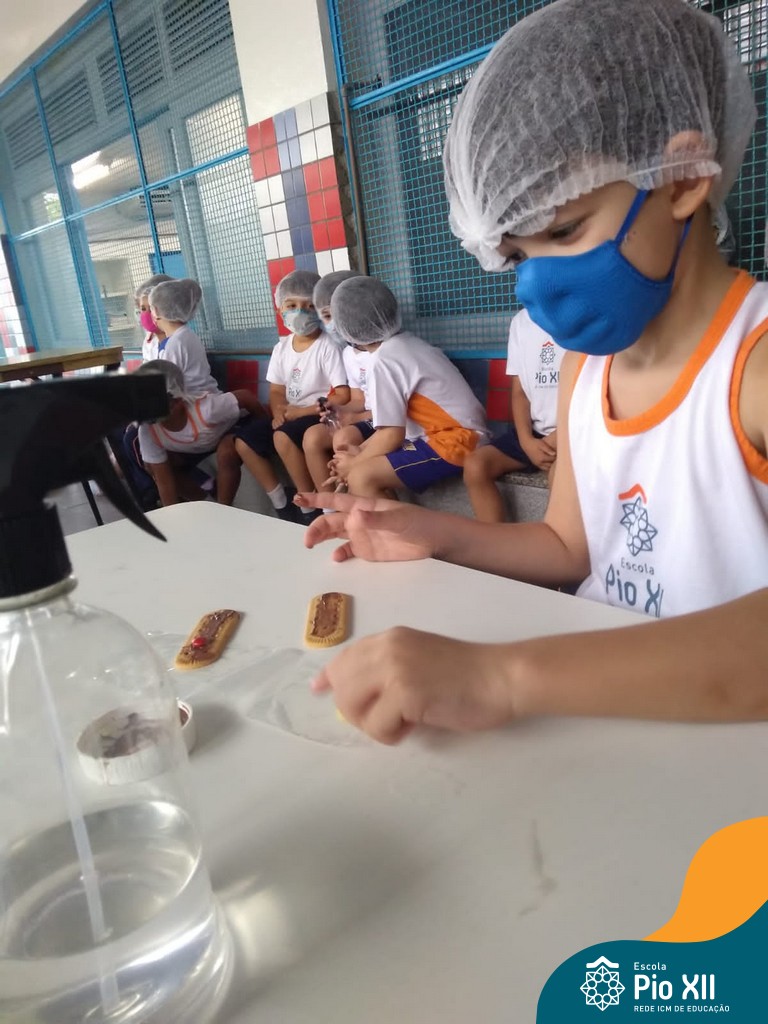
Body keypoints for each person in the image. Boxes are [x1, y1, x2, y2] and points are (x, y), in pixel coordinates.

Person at [296, 0, 768, 744]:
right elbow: (570, 547)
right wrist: (437, 534)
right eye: (517, 253)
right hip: (611, 722)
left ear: (681, 177)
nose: (538, 281)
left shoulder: (755, 365)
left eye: (565, 230)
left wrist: (501, 677)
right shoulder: (585, 369)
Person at [323, 276, 488, 499]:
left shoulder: (384, 360)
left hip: (458, 439)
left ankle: (399, 525)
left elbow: (391, 435)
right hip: (451, 436)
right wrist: (359, 452)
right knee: (360, 468)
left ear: (347, 327)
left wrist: (354, 463)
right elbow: (388, 431)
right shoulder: (405, 344)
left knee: (361, 477)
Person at [134, 360, 285, 511]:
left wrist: (264, 431)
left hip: (232, 429)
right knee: (153, 465)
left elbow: (246, 398)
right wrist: (170, 515)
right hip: (199, 445)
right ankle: (207, 503)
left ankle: (223, 509)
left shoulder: (207, 410)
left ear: (177, 401)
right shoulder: (148, 431)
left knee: (226, 453)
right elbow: (163, 480)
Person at [463, 309, 564, 521]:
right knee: (475, 465)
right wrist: (527, 441)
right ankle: (495, 539)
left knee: (559, 475)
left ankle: (555, 538)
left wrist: (553, 441)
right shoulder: (521, 322)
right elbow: (520, 392)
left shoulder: (581, 313)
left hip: (574, 433)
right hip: (534, 433)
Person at [267, 269, 350, 522]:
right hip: (294, 413)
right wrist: (279, 412)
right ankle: (307, 507)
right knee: (251, 439)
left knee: (287, 437)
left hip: (319, 413)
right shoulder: (281, 348)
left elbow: (342, 395)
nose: (300, 312)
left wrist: (300, 412)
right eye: (292, 305)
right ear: (280, 308)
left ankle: (324, 509)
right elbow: (276, 390)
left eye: (309, 306)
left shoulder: (328, 346)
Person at [303, 270, 376, 493]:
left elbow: (397, 411)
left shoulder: (384, 354)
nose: (330, 325)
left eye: (330, 316)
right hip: (368, 417)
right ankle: (330, 507)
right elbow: (358, 399)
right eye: (325, 318)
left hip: (388, 422)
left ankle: (360, 501)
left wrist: (355, 418)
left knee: (343, 439)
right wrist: (337, 409)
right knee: (312, 438)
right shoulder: (349, 354)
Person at [148, 278, 219, 395]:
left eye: (150, 308)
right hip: (204, 395)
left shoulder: (174, 343)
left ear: (155, 311)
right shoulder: (186, 335)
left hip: (195, 400)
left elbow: (167, 385)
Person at [134, 273, 174, 361]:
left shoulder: (178, 341)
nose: (146, 314)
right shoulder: (149, 340)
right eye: (143, 309)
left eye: (151, 308)